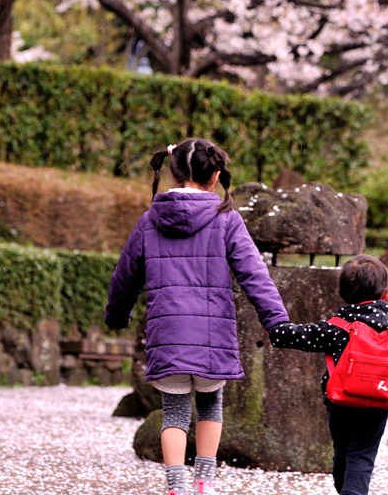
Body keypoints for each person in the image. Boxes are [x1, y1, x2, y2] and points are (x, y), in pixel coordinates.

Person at [104, 138, 289, 495]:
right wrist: (276, 322)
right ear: (216, 175)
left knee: (173, 410)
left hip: (167, 331)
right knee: (210, 403)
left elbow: (125, 275)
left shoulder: (149, 221)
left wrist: (116, 316)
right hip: (213, 333)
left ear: (173, 173)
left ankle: (176, 486)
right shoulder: (227, 221)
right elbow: (254, 275)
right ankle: (204, 481)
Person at [269, 254, 388, 495]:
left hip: (341, 401)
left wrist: (276, 330)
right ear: (386, 292)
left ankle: (346, 490)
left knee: (342, 452)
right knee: (362, 456)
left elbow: (305, 335)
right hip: (378, 402)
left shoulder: (339, 327)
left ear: (342, 292)